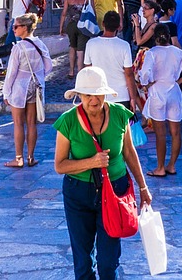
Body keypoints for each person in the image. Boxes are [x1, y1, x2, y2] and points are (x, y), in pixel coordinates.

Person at [54, 66, 153, 280]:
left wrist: (143, 187)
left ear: (105, 94)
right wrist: (91, 162)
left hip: (114, 192)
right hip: (78, 193)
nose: (93, 100)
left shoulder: (119, 114)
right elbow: (60, 165)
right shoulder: (68, 121)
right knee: (83, 262)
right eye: (87, 95)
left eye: (98, 94)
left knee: (108, 262)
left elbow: (129, 151)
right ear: (79, 95)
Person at [137, 27, 182, 177]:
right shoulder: (177, 52)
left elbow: (145, 73)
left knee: (160, 134)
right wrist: (179, 81)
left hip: (158, 92)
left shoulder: (152, 53)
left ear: (155, 38)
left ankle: (160, 168)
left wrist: (145, 83)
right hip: (174, 91)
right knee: (176, 132)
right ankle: (171, 165)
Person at [2, 14, 52, 169]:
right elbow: (49, 66)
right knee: (31, 123)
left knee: (18, 123)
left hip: (20, 86)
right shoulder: (40, 44)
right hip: (35, 87)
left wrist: (6, 92)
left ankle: (18, 158)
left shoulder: (18, 47)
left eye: (16, 26)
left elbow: (11, 73)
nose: (14, 29)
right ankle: (31, 157)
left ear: (24, 28)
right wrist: (38, 76)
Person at [83, 11, 139, 111]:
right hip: (121, 95)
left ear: (103, 24)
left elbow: (88, 71)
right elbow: (129, 74)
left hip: (99, 94)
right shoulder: (124, 45)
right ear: (118, 26)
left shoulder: (91, 44)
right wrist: (133, 98)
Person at [60, 0, 93, 79]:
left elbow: (64, 13)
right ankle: (80, 72)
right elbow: (93, 11)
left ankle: (71, 71)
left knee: (72, 46)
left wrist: (61, 27)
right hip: (84, 25)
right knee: (81, 49)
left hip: (72, 24)